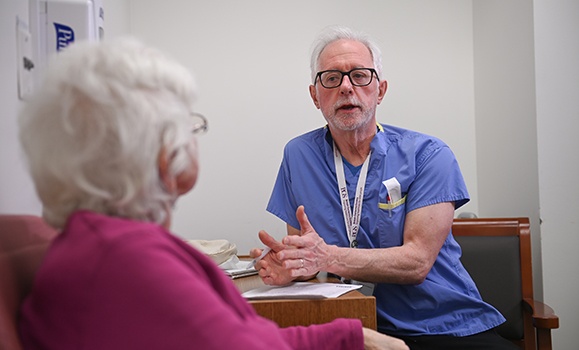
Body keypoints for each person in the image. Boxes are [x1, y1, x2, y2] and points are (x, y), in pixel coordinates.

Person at [17, 37, 408, 350]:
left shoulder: (94, 245)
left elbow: (239, 338)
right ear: (164, 154)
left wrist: (352, 336)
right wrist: (351, 337)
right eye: (189, 124)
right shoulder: (129, 260)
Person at [252, 26, 519, 349]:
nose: (347, 87)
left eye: (360, 76)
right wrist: (290, 270)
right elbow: (305, 257)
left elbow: (416, 262)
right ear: (314, 95)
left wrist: (324, 257)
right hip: (353, 323)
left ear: (380, 90)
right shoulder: (298, 155)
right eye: (332, 78)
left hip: (440, 326)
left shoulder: (429, 155)